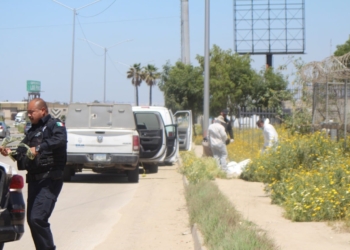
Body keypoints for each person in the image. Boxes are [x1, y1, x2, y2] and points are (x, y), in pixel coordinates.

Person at [0, 98, 67, 250]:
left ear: (42, 110)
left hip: (50, 180)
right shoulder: (32, 131)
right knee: (32, 220)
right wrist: (10, 152)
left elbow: (60, 140)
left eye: (32, 112)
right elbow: (23, 152)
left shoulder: (55, 125)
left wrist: (39, 148)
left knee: (38, 218)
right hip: (35, 181)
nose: (29, 115)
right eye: (28, 112)